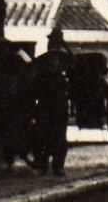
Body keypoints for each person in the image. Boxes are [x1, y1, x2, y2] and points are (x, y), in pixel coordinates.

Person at [23, 27, 73, 176]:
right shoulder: (42, 61)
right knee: (42, 136)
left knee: (59, 137)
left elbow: (73, 64)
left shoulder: (64, 60)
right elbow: (33, 85)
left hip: (58, 106)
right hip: (45, 105)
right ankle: (43, 164)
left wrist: (64, 46)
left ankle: (57, 166)